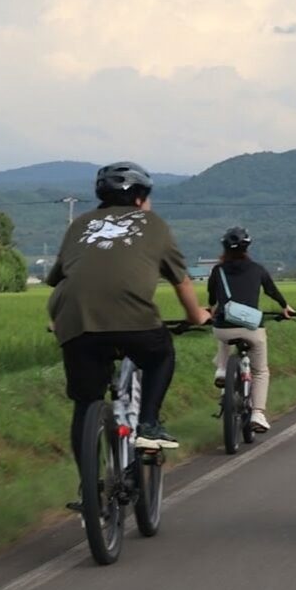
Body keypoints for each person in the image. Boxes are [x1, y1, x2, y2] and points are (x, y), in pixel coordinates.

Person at [46, 162, 210, 469]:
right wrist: (197, 315)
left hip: (76, 325)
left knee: (85, 403)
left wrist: (60, 319)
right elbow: (181, 279)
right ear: (139, 198)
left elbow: (59, 277)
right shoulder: (154, 224)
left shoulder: (79, 224)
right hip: (136, 322)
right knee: (160, 355)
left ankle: (90, 489)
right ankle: (148, 424)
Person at [207, 226, 296, 433]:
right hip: (252, 327)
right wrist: (285, 307)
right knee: (260, 371)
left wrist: (212, 310)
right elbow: (272, 290)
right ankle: (258, 413)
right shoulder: (257, 269)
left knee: (222, 332)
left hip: (224, 328)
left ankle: (221, 369)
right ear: (248, 247)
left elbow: (212, 298)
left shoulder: (217, 270)